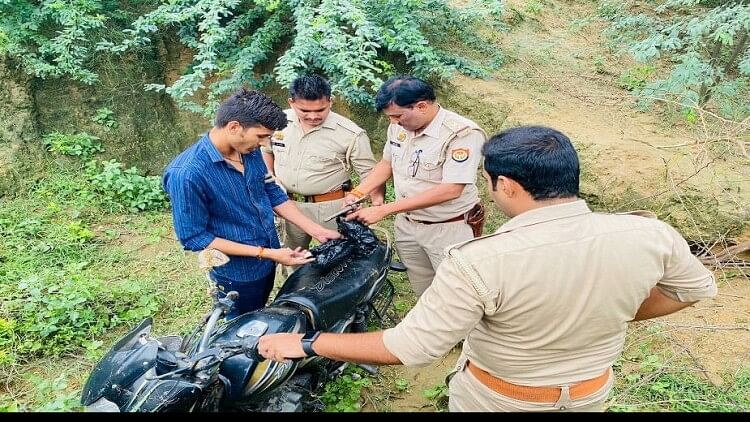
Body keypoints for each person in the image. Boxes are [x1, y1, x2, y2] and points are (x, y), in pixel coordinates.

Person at [257, 125, 717, 412]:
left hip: (500, 399)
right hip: (591, 394)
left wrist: (306, 342)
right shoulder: (649, 234)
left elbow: (410, 347)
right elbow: (693, 289)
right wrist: (616, 311)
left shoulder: (480, 260)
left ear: (506, 185)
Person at [163, 88, 340, 320]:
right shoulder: (187, 174)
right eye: (261, 136)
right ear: (234, 127)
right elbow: (194, 237)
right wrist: (266, 253)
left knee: (261, 313)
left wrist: (316, 230)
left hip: (268, 257)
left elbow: (271, 192)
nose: (265, 143)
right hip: (237, 272)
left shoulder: (248, 150)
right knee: (240, 327)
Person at [343, 75, 487, 296]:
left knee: (457, 294)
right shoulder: (399, 127)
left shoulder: (462, 134)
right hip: (408, 225)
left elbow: (452, 189)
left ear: (421, 106)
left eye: (398, 116)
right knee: (424, 290)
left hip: (448, 228)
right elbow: (386, 163)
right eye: (390, 117)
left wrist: (384, 210)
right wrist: (358, 192)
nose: (394, 122)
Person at [261, 74, 385, 253]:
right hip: (288, 205)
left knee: (339, 257)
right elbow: (266, 150)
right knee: (293, 257)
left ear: (330, 102)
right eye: (304, 111)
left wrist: (375, 203)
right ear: (291, 102)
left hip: (331, 208)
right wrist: (270, 175)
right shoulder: (278, 122)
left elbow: (371, 175)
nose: (312, 116)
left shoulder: (350, 133)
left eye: (320, 110)